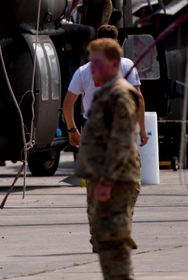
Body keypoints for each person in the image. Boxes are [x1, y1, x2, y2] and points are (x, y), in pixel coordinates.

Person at [74, 38, 141, 280]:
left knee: (114, 244)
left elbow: (121, 143)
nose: (92, 68)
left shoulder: (121, 96)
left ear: (114, 64)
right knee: (105, 241)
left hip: (115, 180)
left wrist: (106, 181)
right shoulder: (105, 93)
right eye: (91, 62)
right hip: (102, 175)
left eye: (98, 63)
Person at [63, 25, 147, 150]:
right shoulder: (127, 65)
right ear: (117, 44)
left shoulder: (83, 71)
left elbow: (67, 104)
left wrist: (72, 130)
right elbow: (138, 98)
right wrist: (142, 129)